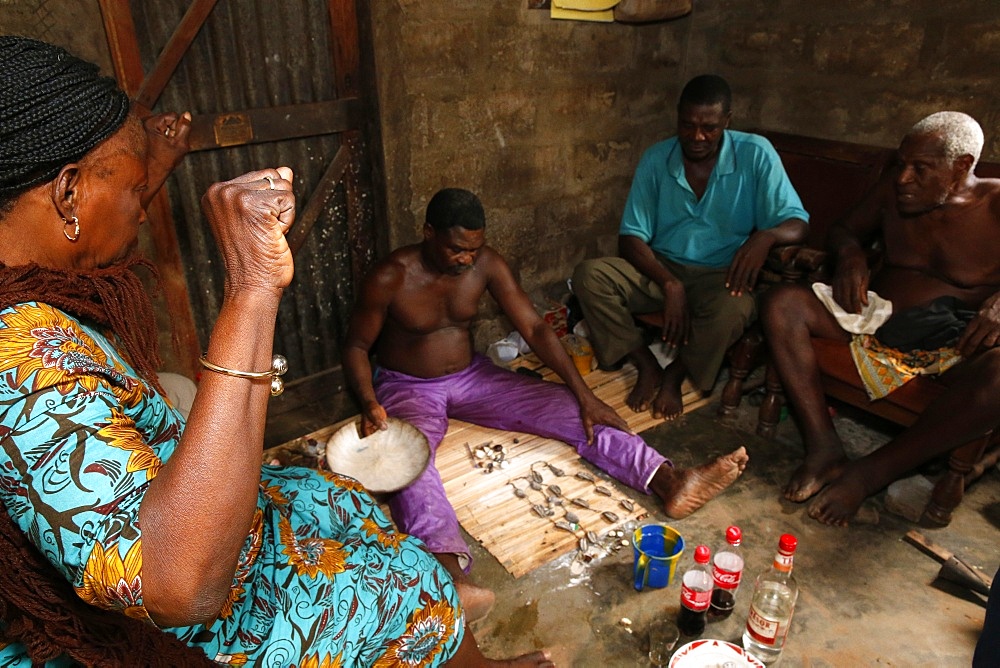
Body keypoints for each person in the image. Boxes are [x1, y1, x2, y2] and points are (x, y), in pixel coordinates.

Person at [0, 36, 553, 667]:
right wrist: (252, 288)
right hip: (159, 607)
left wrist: (162, 162)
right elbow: (184, 584)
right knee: (409, 591)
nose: (144, 212)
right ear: (68, 195)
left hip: (164, 519)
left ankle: (453, 642)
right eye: (134, 189)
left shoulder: (29, 291)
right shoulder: (20, 357)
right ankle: (441, 629)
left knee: (336, 498)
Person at [343, 187, 749, 621]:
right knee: (409, 457)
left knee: (572, 410)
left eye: (474, 249)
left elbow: (535, 328)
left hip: (472, 376)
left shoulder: (486, 263)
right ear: (428, 233)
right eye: (456, 249)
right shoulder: (391, 276)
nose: (466, 259)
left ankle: (667, 480)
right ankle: (449, 577)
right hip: (409, 385)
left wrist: (585, 394)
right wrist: (369, 402)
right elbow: (356, 346)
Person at [759, 111, 1000, 526]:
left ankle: (868, 474)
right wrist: (850, 253)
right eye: (901, 164)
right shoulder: (894, 190)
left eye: (920, 169)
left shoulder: (997, 206)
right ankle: (823, 447)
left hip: (953, 346)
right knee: (783, 303)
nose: (904, 177)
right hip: (876, 322)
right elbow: (843, 228)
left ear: (961, 167)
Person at [572, 74, 809, 421]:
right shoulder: (656, 159)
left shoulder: (756, 154)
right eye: (688, 125)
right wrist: (670, 284)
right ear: (678, 118)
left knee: (735, 309)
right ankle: (646, 363)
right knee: (590, 276)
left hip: (721, 275)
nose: (697, 137)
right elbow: (630, 238)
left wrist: (766, 236)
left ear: (727, 121)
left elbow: (797, 221)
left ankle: (676, 372)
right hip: (661, 268)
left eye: (709, 128)